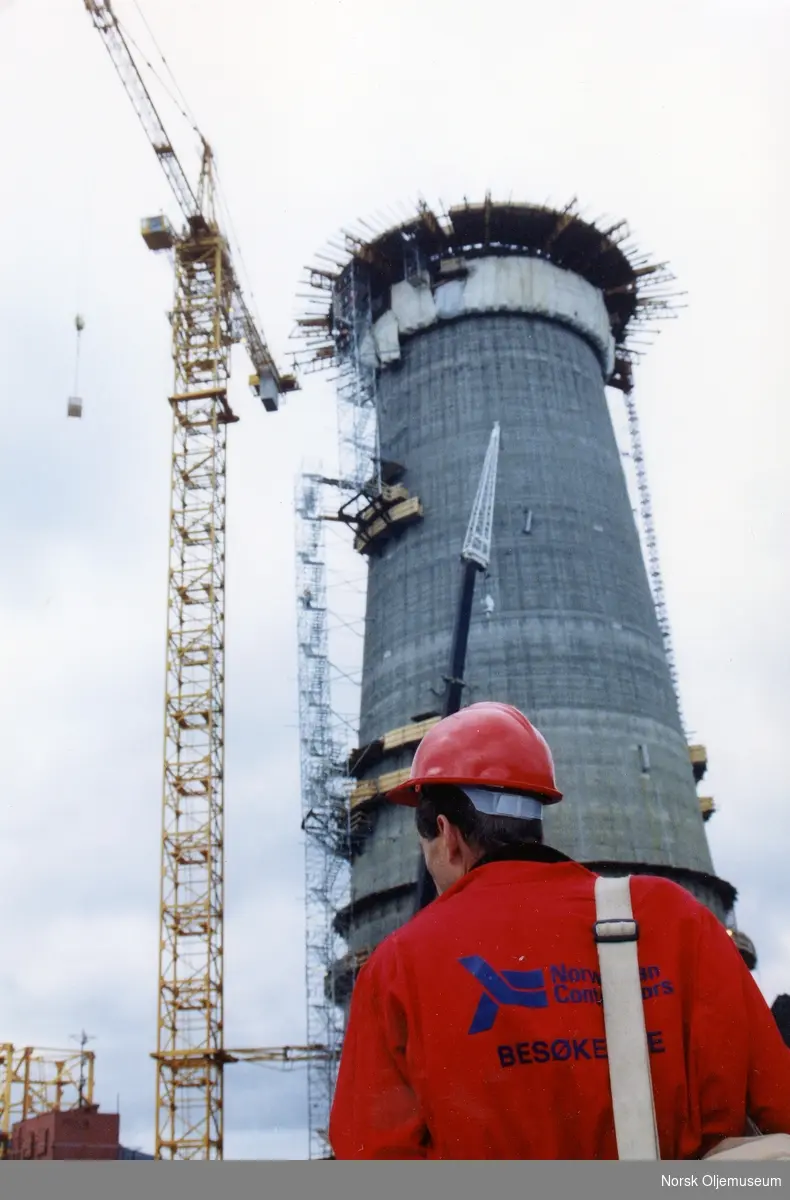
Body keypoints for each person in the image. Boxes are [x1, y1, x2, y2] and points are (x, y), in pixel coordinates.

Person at [328, 701, 790, 1160]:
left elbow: (374, 1160)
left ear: (446, 835)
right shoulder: (673, 918)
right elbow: (779, 1101)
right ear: (536, 821)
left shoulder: (398, 967)